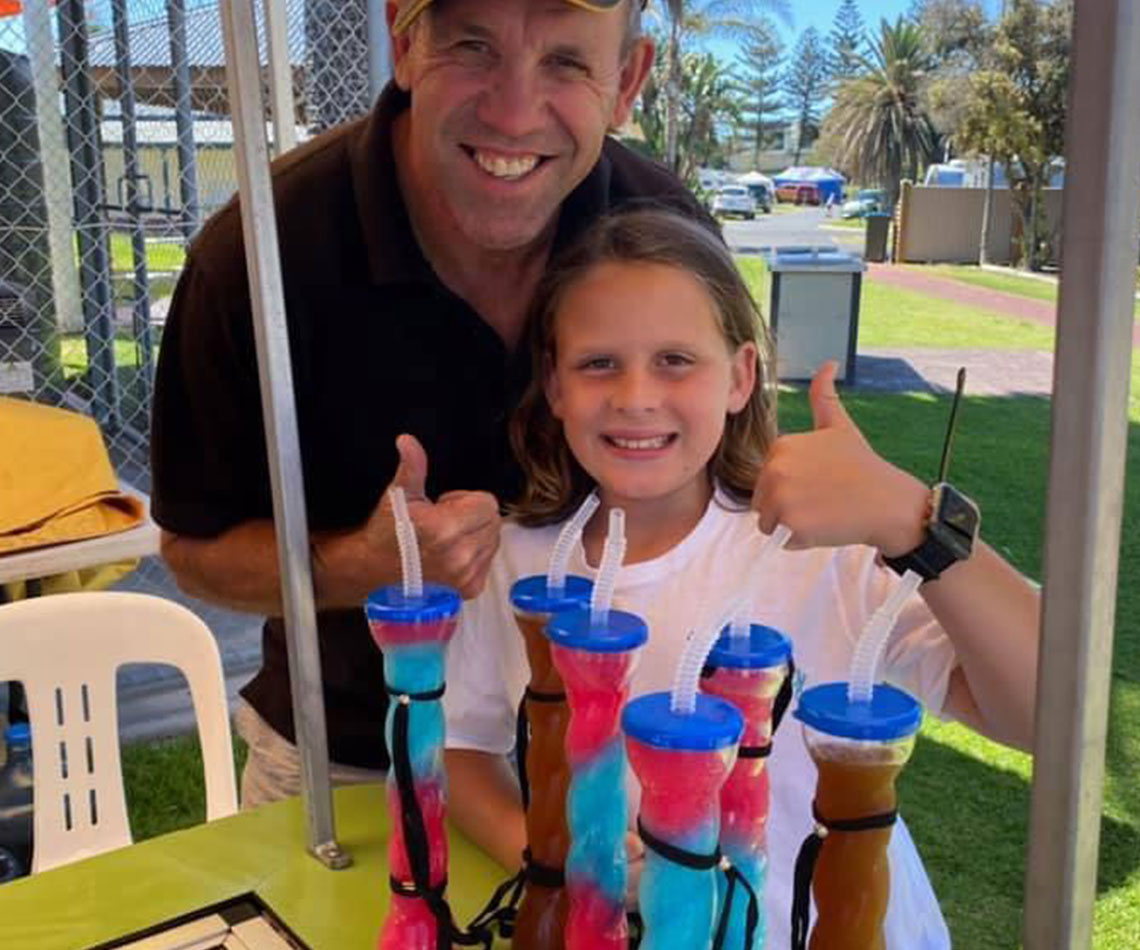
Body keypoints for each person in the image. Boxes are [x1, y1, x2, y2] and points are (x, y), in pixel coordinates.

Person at [148, 0, 708, 807]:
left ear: (626, 81)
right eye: (474, 47)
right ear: (405, 43)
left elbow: (722, 484)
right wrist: (362, 564)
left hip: (607, 748)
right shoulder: (260, 256)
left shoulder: (667, 233)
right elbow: (195, 549)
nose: (514, 113)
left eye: (565, 62)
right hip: (353, 759)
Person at [441, 208, 1041, 948]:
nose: (636, 396)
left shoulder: (823, 551)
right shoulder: (518, 566)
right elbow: (463, 745)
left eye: (675, 360)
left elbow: (1044, 715)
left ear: (741, 376)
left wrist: (912, 519)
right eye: (598, 364)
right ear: (554, 385)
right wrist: (554, 859)